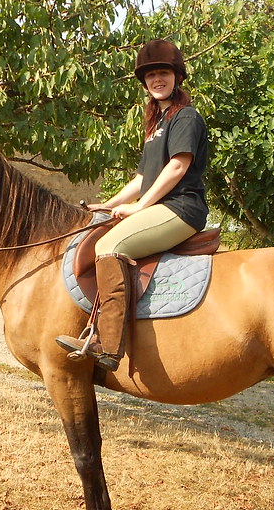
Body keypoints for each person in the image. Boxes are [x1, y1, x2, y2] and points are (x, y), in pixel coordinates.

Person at [56, 39, 209, 371]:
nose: (157, 80)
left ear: (176, 77)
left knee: (109, 246)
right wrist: (108, 204)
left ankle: (107, 344)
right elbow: (143, 177)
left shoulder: (186, 117)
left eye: (163, 73)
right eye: (151, 75)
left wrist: (139, 207)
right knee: (102, 229)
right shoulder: (157, 125)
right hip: (160, 206)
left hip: (181, 208)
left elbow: (177, 167)